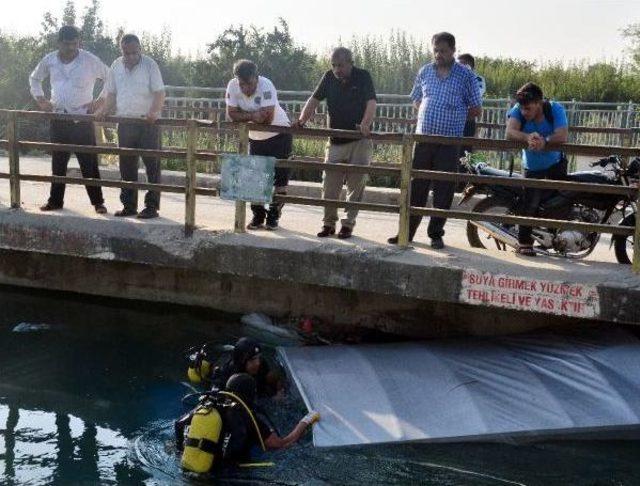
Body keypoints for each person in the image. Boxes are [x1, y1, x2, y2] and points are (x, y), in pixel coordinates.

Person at [388, 32, 482, 249]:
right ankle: (406, 232)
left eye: (443, 51)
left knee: (444, 188)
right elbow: (416, 99)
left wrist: (454, 115)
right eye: (435, 51)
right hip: (423, 140)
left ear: (453, 50)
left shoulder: (465, 76)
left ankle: (435, 234)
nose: (438, 55)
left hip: (449, 142)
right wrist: (426, 113)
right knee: (416, 186)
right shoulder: (425, 71)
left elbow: (476, 109)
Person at [294, 47, 377, 239]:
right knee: (329, 185)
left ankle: (348, 225)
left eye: (340, 65)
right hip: (335, 140)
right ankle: (328, 224)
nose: (336, 69)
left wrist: (365, 124)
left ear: (350, 63)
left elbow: (371, 102)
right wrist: (301, 121)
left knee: (356, 185)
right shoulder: (328, 77)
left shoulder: (363, 76)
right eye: (333, 65)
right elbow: (313, 100)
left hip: (359, 140)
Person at [29, 25, 109, 214]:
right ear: (59, 43)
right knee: (58, 162)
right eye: (67, 44)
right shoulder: (49, 60)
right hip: (59, 117)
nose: (71, 48)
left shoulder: (89, 60)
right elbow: (34, 79)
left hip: (82, 119)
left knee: (89, 163)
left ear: (79, 42)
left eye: (75, 43)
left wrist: (100, 101)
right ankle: (55, 201)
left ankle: (98, 202)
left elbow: (110, 77)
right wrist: (41, 100)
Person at [175, 373, 319, 472]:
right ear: (250, 394)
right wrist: (305, 421)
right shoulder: (246, 416)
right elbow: (282, 444)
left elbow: (179, 425)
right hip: (227, 476)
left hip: (190, 467)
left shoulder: (207, 407)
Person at [95, 34, 166, 219]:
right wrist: (105, 110)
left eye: (135, 52)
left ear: (140, 49)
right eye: (127, 53)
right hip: (125, 122)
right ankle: (129, 205)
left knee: (152, 165)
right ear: (122, 51)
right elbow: (111, 93)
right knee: (127, 166)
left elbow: (159, 93)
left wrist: (153, 112)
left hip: (147, 123)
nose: (131, 57)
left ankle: (151, 207)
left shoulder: (150, 65)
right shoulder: (116, 66)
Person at [225, 60, 292, 230]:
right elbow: (231, 114)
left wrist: (244, 115)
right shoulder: (232, 86)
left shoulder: (266, 85)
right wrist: (253, 115)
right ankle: (258, 215)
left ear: (257, 77)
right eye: (242, 84)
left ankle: (274, 215)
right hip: (255, 137)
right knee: (254, 178)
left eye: (250, 84)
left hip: (279, 133)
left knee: (280, 178)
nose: (246, 89)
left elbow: (267, 119)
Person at [505, 82, 569, 256]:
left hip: (555, 165)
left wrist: (545, 141)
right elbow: (510, 132)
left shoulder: (555, 109)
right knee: (530, 204)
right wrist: (527, 137)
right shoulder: (519, 109)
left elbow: (562, 134)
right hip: (532, 167)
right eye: (523, 109)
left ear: (539, 103)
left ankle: (555, 239)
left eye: (528, 109)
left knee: (558, 203)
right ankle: (524, 242)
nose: (524, 113)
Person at [210, 337, 282, 398]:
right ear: (241, 362)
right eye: (252, 360)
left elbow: (276, 379)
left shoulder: (261, 364)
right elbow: (216, 391)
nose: (257, 363)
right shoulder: (227, 372)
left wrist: (279, 393)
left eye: (258, 358)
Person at [457, 53, 486, 155]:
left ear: (471, 67)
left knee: (465, 153)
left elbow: (476, 95)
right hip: (452, 122)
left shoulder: (478, 79)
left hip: (468, 121)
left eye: (463, 65)